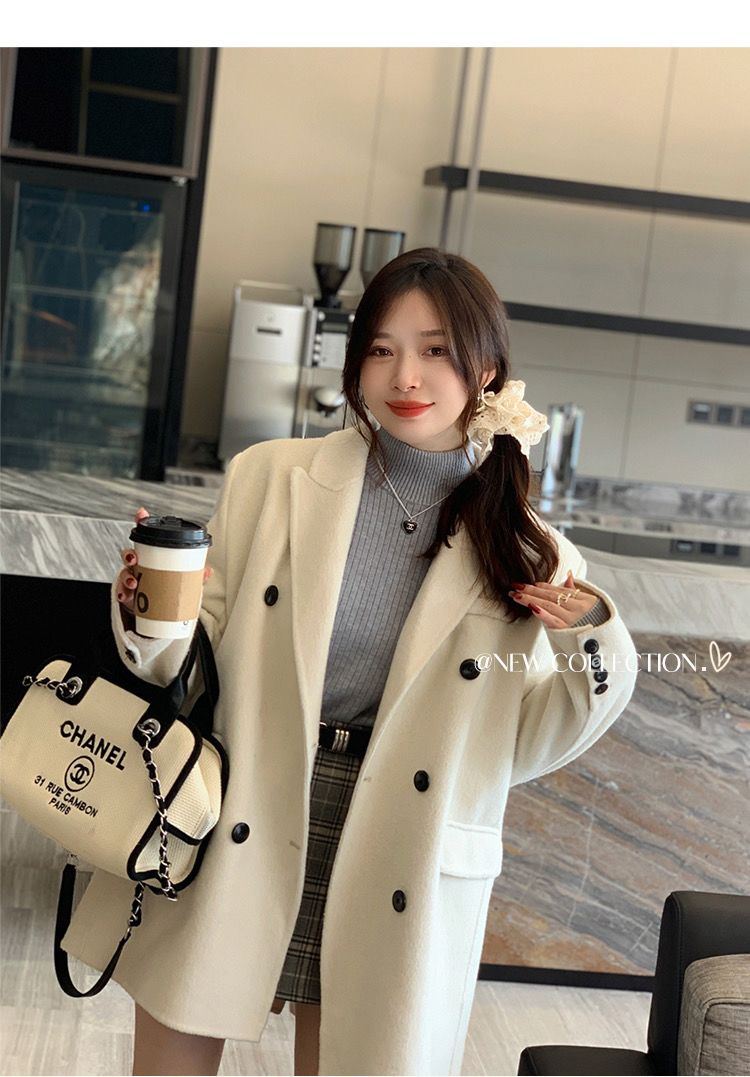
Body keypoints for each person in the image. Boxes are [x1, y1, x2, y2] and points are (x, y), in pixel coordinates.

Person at [60, 247, 637, 1077]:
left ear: (487, 370)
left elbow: (528, 739)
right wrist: (153, 607)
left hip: (394, 828)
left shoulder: (525, 546)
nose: (406, 375)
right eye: (381, 348)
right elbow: (191, 661)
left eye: (436, 350)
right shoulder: (272, 477)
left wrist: (595, 636)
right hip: (246, 790)